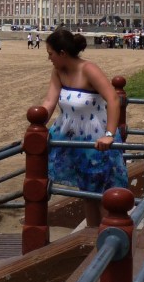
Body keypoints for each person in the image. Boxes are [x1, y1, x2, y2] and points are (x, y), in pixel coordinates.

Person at [40, 29, 127, 227]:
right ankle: (92, 237)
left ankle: (111, 241)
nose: (49, 59)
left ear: (62, 53)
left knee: (104, 192)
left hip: (96, 138)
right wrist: (35, 126)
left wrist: (109, 135)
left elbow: (113, 99)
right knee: (87, 192)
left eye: (50, 54)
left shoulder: (89, 69)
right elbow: (49, 102)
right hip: (72, 138)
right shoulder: (58, 72)